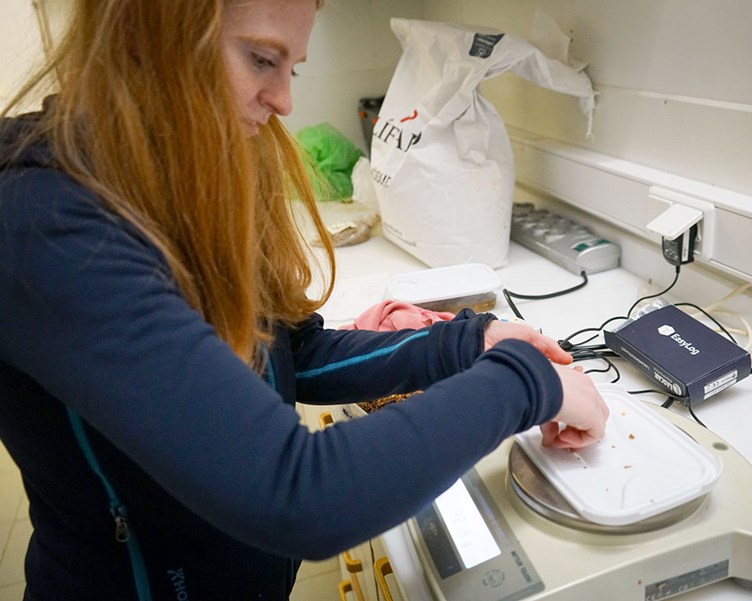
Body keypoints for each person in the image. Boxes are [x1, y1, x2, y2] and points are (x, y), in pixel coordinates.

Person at [0, 1, 609, 599]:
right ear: (147, 27)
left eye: (291, 69)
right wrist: (525, 383)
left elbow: (292, 352)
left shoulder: (184, 173)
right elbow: (299, 495)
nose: (284, 100)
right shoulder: (47, 226)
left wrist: (467, 342)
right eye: (262, 59)